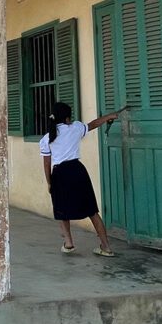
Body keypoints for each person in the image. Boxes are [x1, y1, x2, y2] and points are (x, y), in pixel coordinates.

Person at [41, 101, 119, 257]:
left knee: (62, 210)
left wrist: (50, 183)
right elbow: (92, 124)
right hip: (77, 171)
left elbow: (46, 164)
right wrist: (109, 116)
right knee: (92, 210)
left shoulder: (46, 138)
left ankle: (69, 243)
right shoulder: (75, 128)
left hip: (59, 174)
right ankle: (106, 246)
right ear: (68, 118)